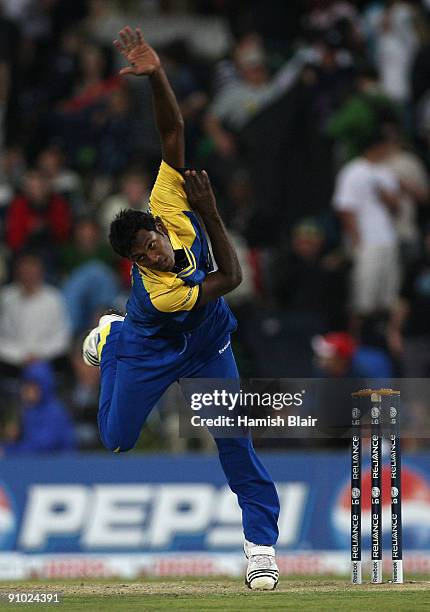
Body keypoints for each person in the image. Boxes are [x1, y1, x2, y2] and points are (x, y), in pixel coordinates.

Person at [82, 27, 279, 591]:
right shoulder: (161, 289)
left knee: (233, 439)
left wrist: (157, 73)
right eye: (147, 254)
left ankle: (260, 547)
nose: (160, 251)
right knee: (117, 439)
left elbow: (173, 129)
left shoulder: (166, 204)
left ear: (155, 223)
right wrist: (212, 213)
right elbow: (232, 277)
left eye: (156, 240)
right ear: (136, 263)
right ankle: (112, 338)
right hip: (152, 346)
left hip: (209, 342)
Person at [1, 361, 76, 455]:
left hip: (60, 466)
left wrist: (9, 451)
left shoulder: (55, 412)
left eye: (32, 386)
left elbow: (42, 447)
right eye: (26, 385)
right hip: (37, 465)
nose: (26, 390)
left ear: (44, 386)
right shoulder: (28, 411)